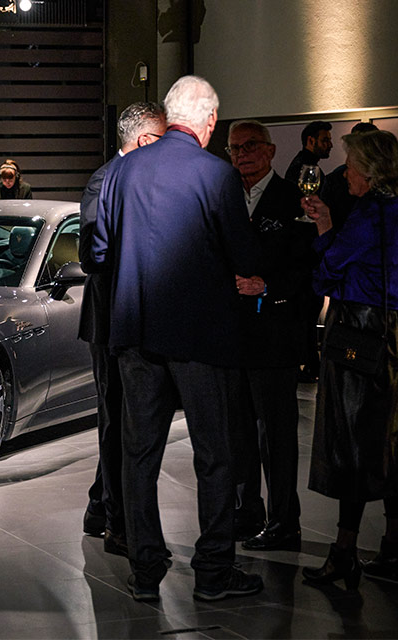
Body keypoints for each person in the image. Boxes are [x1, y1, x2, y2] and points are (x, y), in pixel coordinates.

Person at [96, 75, 264, 603]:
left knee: (138, 454)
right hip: (200, 337)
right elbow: (246, 258)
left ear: (170, 117)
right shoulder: (217, 176)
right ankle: (213, 570)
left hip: (134, 332)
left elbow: (99, 254)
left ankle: (145, 570)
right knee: (214, 455)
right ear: (209, 121)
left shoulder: (121, 171)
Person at [300, 129, 398, 589]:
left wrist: (325, 228)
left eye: (350, 166)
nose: (344, 172)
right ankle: (393, 545)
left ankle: (343, 552)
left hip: (358, 329)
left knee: (352, 439)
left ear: (369, 172)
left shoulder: (368, 216)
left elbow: (325, 276)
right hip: (394, 329)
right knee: (390, 434)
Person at [78, 101, 166, 557]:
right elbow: (93, 252)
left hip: (131, 316)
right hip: (112, 318)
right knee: (118, 421)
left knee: (127, 421)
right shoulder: (107, 178)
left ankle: (101, 507)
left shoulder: (133, 178)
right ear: (147, 141)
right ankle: (118, 524)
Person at [224, 120, 315, 552]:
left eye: (250, 146)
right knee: (237, 431)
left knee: (275, 434)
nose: (242, 154)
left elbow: (309, 271)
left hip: (275, 334)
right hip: (231, 335)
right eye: (234, 148)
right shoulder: (223, 200)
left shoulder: (293, 201)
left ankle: (284, 520)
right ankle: (247, 513)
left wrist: (269, 286)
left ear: (272, 150)